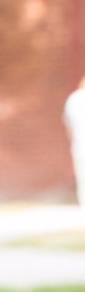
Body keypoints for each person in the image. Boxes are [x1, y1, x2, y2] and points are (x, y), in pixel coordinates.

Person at [64, 76, 85, 207]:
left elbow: (68, 127)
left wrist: (72, 143)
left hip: (78, 146)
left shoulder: (72, 100)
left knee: (82, 178)